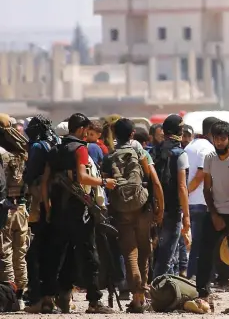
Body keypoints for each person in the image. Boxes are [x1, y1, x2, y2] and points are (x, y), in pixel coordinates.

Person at [39, 113, 117, 314]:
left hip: (58, 211)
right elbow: (82, 177)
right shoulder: (80, 149)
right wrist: (104, 182)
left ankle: (50, 299)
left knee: (57, 255)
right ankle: (93, 301)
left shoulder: (55, 149)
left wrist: (48, 208)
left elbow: (45, 182)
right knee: (89, 255)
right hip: (79, 211)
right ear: (82, 129)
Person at [101, 118, 164, 312]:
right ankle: (141, 296)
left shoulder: (109, 155)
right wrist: (160, 207)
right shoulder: (140, 152)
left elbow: (105, 183)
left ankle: (136, 297)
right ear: (132, 134)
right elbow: (154, 180)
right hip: (142, 207)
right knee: (145, 251)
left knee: (129, 252)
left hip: (121, 209)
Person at [196, 121, 229, 313]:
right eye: (216, 138)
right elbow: (207, 188)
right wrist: (214, 213)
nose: (218, 142)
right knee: (205, 255)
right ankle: (203, 294)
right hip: (214, 214)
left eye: (222, 138)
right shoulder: (209, 158)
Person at [22, 116, 61, 311]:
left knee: (33, 254)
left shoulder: (38, 147)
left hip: (40, 204)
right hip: (58, 205)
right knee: (52, 253)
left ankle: (36, 298)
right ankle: (50, 298)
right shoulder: (57, 142)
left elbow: (30, 175)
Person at [150, 114, 191, 279]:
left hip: (154, 208)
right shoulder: (180, 154)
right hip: (172, 209)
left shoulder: (153, 151)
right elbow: (182, 187)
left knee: (161, 252)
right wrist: (186, 216)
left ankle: (168, 290)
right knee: (167, 255)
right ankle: (157, 290)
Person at [184, 117, 220, 279]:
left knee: (196, 243)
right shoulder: (207, 148)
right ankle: (197, 277)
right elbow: (200, 175)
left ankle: (196, 276)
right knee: (201, 244)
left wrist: (184, 195)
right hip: (200, 201)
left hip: (190, 202)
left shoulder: (190, 145)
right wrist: (187, 191)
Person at [0, 127, 28, 307]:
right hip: (22, 208)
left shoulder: (2, 155)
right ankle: (22, 293)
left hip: (6, 209)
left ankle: (10, 293)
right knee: (21, 253)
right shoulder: (23, 154)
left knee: (6, 252)